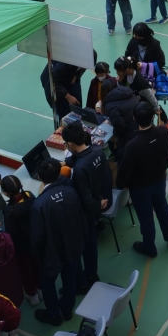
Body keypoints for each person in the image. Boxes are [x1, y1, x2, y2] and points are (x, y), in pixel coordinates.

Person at [116, 102, 168, 258]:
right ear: (152, 117)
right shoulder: (164, 132)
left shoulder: (133, 145)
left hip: (140, 187)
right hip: (158, 179)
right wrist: (164, 167)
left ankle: (149, 247)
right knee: (163, 208)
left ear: (134, 119)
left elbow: (125, 169)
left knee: (146, 218)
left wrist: (121, 184)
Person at [31, 159, 87, 326]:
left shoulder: (39, 204)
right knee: (70, 276)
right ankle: (67, 310)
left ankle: (53, 314)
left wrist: (37, 256)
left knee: (47, 282)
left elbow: (38, 236)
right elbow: (80, 216)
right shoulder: (71, 191)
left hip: (52, 252)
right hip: (73, 244)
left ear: (39, 177)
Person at [62, 122, 113, 291]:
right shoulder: (98, 152)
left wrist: (97, 205)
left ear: (70, 144)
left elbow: (85, 199)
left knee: (84, 244)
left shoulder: (80, 170)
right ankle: (91, 274)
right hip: (101, 200)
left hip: (86, 213)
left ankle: (85, 280)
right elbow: (105, 177)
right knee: (91, 243)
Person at [0, 176, 39, 305]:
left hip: (21, 247)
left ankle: (32, 295)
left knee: (26, 271)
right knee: (37, 265)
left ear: (7, 193)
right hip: (36, 240)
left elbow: (10, 233)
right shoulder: (29, 196)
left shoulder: (9, 211)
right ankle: (41, 289)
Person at [103, 71, 140, 161]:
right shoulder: (128, 93)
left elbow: (120, 127)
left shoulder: (111, 105)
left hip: (128, 136)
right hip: (139, 128)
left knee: (123, 157)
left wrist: (115, 137)